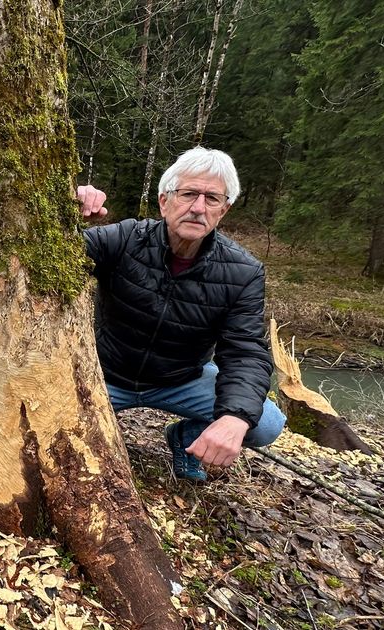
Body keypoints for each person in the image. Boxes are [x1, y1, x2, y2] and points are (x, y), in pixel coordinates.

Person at [76, 147, 286, 482]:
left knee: (265, 424)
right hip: (105, 373)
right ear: (164, 201)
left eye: (212, 198)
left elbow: (245, 351)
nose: (198, 207)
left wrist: (234, 418)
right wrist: (68, 210)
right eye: (188, 193)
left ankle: (183, 439)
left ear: (224, 210)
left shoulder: (243, 272)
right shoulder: (124, 238)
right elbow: (51, 255)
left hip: (181, 379)